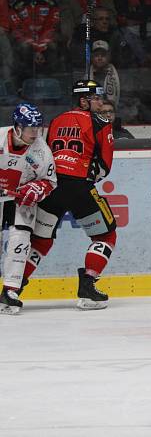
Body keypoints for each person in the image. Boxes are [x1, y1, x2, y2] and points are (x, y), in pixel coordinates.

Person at [27, 80, 116, 310]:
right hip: (79, 187)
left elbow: (44, 155)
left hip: (52, 187)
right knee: (106, 236)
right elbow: (105, 165)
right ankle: (87, 287)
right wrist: (88, 178)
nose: (100, 102)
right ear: (83, 100)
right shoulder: (101, 121)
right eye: (95, 98)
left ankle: (12, 288)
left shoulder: (55, 121)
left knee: (40, 241)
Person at [0, 104, 57, 314]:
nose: (35, 132)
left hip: (21, 200)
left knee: (20, 240)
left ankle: (10, 291)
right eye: (29, 127)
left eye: (37, 127)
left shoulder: (42, 151)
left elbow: (50, 181)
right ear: (17, 127)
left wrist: (37, 188)